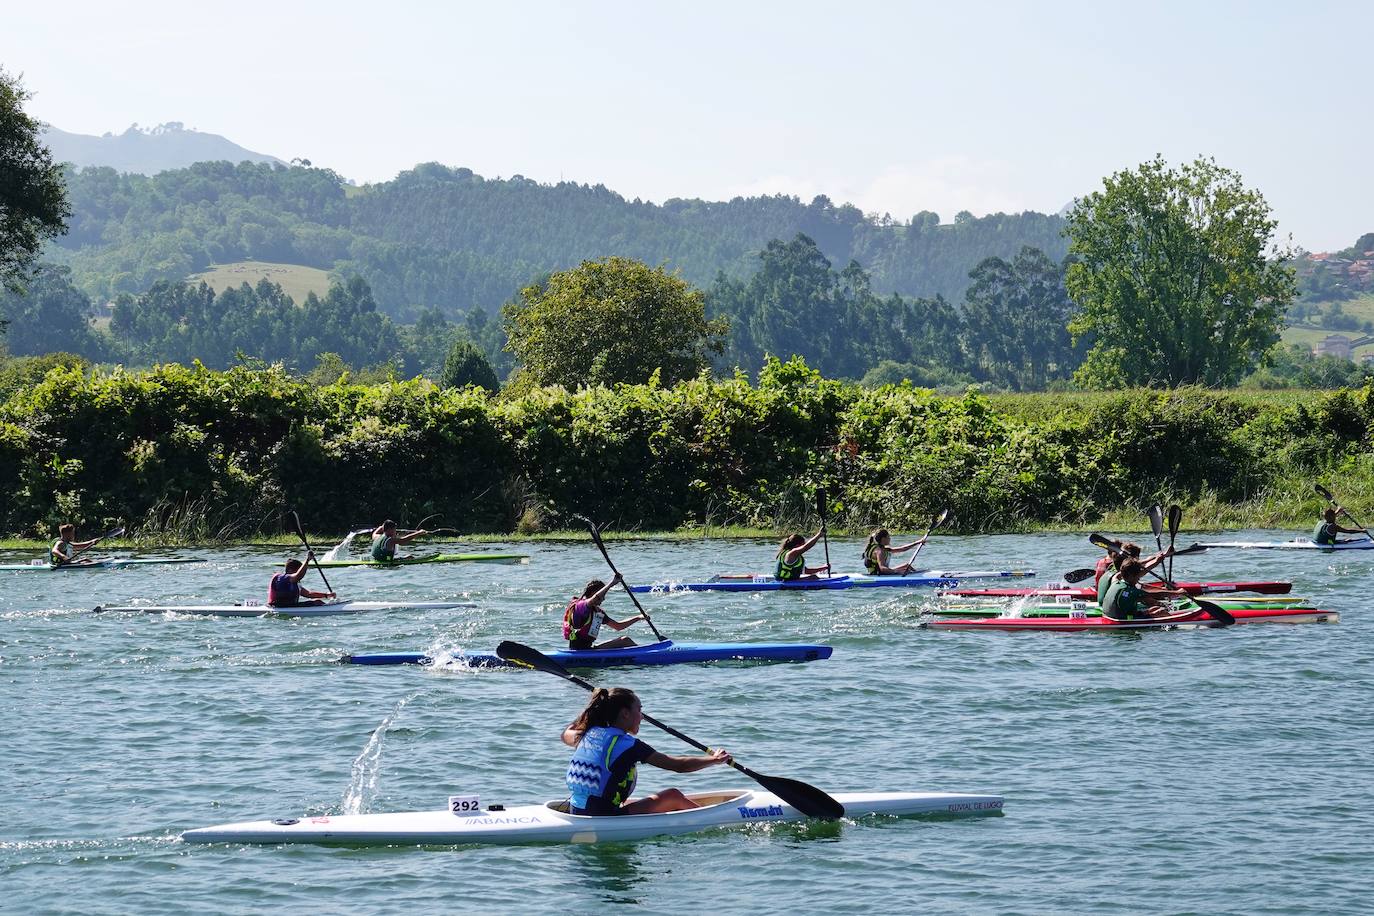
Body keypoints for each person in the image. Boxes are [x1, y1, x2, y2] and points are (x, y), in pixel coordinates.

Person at [562, 687, 731, 815]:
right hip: (602, 816)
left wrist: (591, 709)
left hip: (576, 809)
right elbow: (678, 766)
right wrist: (715, 760)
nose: (642, 716)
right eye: (639, 710)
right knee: (673, 796)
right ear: (625, 714)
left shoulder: (588, 734)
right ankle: (713, 818)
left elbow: (565, 733)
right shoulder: (628, 745)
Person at [564, 574, 645, 650]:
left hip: (589, 649)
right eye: (603, 595)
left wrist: (638, 617)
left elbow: (618, 626)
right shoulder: (581, 606)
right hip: (578, 651)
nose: (603, 599)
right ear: (593, 593)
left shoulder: (598, 612)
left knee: (625, 640)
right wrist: (612, 583)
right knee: (626, 641)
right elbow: (594, 598)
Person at [1101, 558, 1189, 621]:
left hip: (1108, 616)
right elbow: (1156, 594)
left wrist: (1127, 567)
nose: (1139, 579)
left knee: (1155, 608)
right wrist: (1177, 592)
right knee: (1161, 611)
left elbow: (1119, 574)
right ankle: (1175, 626)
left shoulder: (1115, 581)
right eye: (1138, 576)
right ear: (1131, 576)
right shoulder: (1131, 591)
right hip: (1122, 620)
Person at [268, 557, 335, 607]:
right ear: (290, 570)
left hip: (289, 606)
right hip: (279, 607)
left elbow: (309, 594)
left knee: (317, 601)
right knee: (318, 602)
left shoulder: (293, 582)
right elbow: (298, 575)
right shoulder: (282, 578)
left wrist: (326, 595)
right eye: (298, 570)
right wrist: (307, 560)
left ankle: (330, 607)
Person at [862, 528, 927, 575]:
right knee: (905, 570)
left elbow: (903, 548)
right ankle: (915, 576)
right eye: (888, 537)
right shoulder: (879, 551)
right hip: (878, 574)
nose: (890, 539)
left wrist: (918, 542)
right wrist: (897, 572)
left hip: (882, 573)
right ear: (883, 539)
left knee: (907, 566)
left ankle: (917, 575)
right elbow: (882, 568)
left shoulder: (884, 549)